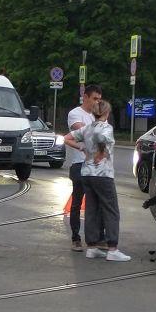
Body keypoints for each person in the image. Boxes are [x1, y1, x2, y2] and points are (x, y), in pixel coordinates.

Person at [67, 99, 130, 262]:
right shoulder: (105, 127)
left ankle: (92, 247)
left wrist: (83, 148)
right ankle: (112, 248)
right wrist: (100, 153)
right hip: (103, 174)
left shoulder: (87, 128)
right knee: (111, 210)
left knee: (91, 209)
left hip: (86, 173)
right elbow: (101, 137)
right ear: (106, 113)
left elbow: (67, 138)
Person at [65, 84, 103, 252]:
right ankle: (75, 238)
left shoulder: (98, 116)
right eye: (95, 98)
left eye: (99, 99)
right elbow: (82, 132)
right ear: (86, 97)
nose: (97, 102)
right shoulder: (75, 114)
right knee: (78, 201)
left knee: (96, 203)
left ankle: (95, 238)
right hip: (79, 164)